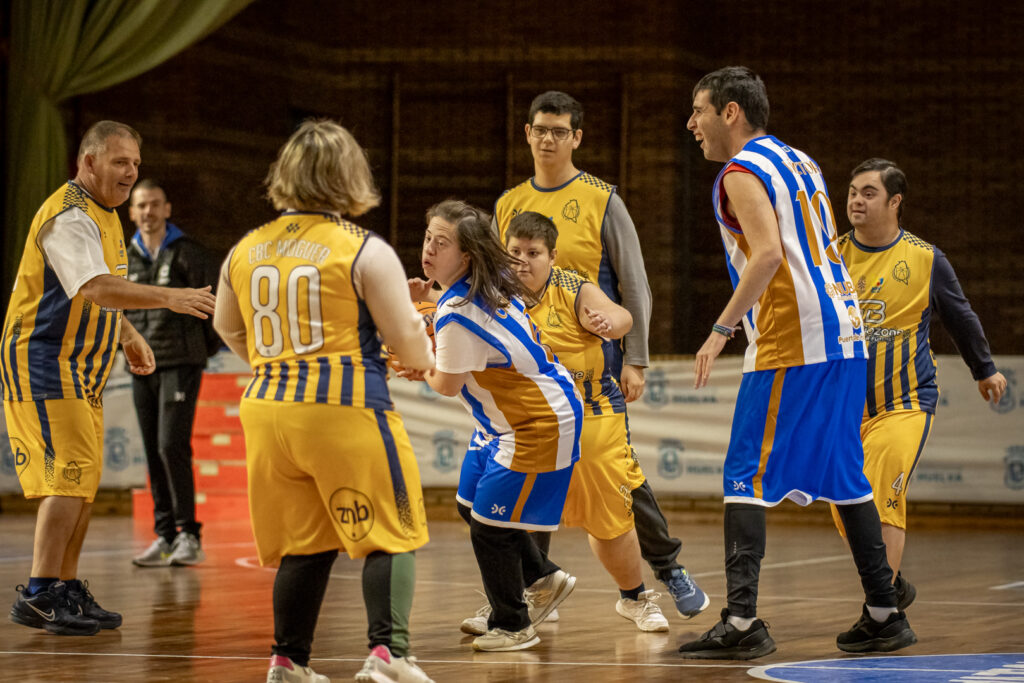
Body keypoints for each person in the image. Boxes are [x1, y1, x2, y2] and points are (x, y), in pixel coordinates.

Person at [678, 66, 916, 659]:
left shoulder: (740, 172)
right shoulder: (799, 159)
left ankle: (740, 623)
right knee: (844, 476)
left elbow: (763, 258)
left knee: (745, 474)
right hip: (845, 332)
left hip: (794, 340)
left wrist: (719, 330)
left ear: (730, 112)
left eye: (699, 110)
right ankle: (885, 612)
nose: (692, 123)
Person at [213, 119, 434, 683]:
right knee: (392, 529)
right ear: (349, 175)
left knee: (304, 543)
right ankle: (390, 656)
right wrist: (420, 349)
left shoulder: (244, 247)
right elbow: (407, 341)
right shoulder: (362, 248)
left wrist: (275, 360)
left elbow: (227, 327)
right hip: (343, 404)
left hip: (267, 408)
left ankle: (288, 662)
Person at [491, 90, 709, 620]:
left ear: (576, 138)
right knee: (529, 476)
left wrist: (635, 358)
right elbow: (496, 282)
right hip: (528, 371)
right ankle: (535, 591)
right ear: (527, 133)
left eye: (559, 131)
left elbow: (634, 284)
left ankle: (667, 569)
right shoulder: (507, 203)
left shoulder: (601, 199)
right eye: (540, 128)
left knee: (615, 475)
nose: (548, 138)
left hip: (592, 369)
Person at [2, 121, 216, 636]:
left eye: (136, 164)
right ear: (89, 162)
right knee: (67, 478)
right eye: (121, 162)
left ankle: (65, 586)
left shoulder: (105, 215)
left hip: (79, 366)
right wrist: (170, 297)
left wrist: (126, 334)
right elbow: (96, 286)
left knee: (83, 483)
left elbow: (87, 290)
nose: (131, 172)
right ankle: (39, 593)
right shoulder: (68, 215)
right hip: (44, 361)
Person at [400, 200, 580, 652]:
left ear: (466, 256)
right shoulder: (480, 287)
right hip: (504, 422)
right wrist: (430, 299)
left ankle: (513, 623)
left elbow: (445, 384)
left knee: (489, 526)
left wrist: (418, 361)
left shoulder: (456, 311)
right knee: (469, 505)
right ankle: (543, 578)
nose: (429, 249)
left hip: (536, 421)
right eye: (428, 238)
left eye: (442, 243)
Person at [830, 158, 1007, 604]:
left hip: (905, 402)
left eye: (868, 192)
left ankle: (881, 613)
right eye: (853, 191)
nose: (856, 200)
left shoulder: (925, 259)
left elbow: (960, 317)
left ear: (895, 202)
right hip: (845, 410)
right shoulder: (830, 258)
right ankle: (890, 588)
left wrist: (984, 368)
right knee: (845, 507)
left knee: (882, 488)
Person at [503, 211, 669, 632]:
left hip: (591, 409)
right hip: (531, 418)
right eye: (515, 252)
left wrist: (609, 323)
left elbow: (622, 316)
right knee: (501, 505)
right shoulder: (495, 295)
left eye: (534, 253)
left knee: (605, 503)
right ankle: (520, 599)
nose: (523, 260)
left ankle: (634, 598)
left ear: (552, 256)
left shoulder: (573, 287)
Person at [127, 179, 221, 568]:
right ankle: (164, 536)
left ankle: (189, 536)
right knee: (152, 450)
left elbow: (214, 307)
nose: (148, 212)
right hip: (140, 365)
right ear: (132, 213)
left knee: (171, 445)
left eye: (154, 205)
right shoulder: (123, 257)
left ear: (167, 209)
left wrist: (199, 351)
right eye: (140, 206)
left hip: (181, 362)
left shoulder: (188, 252)